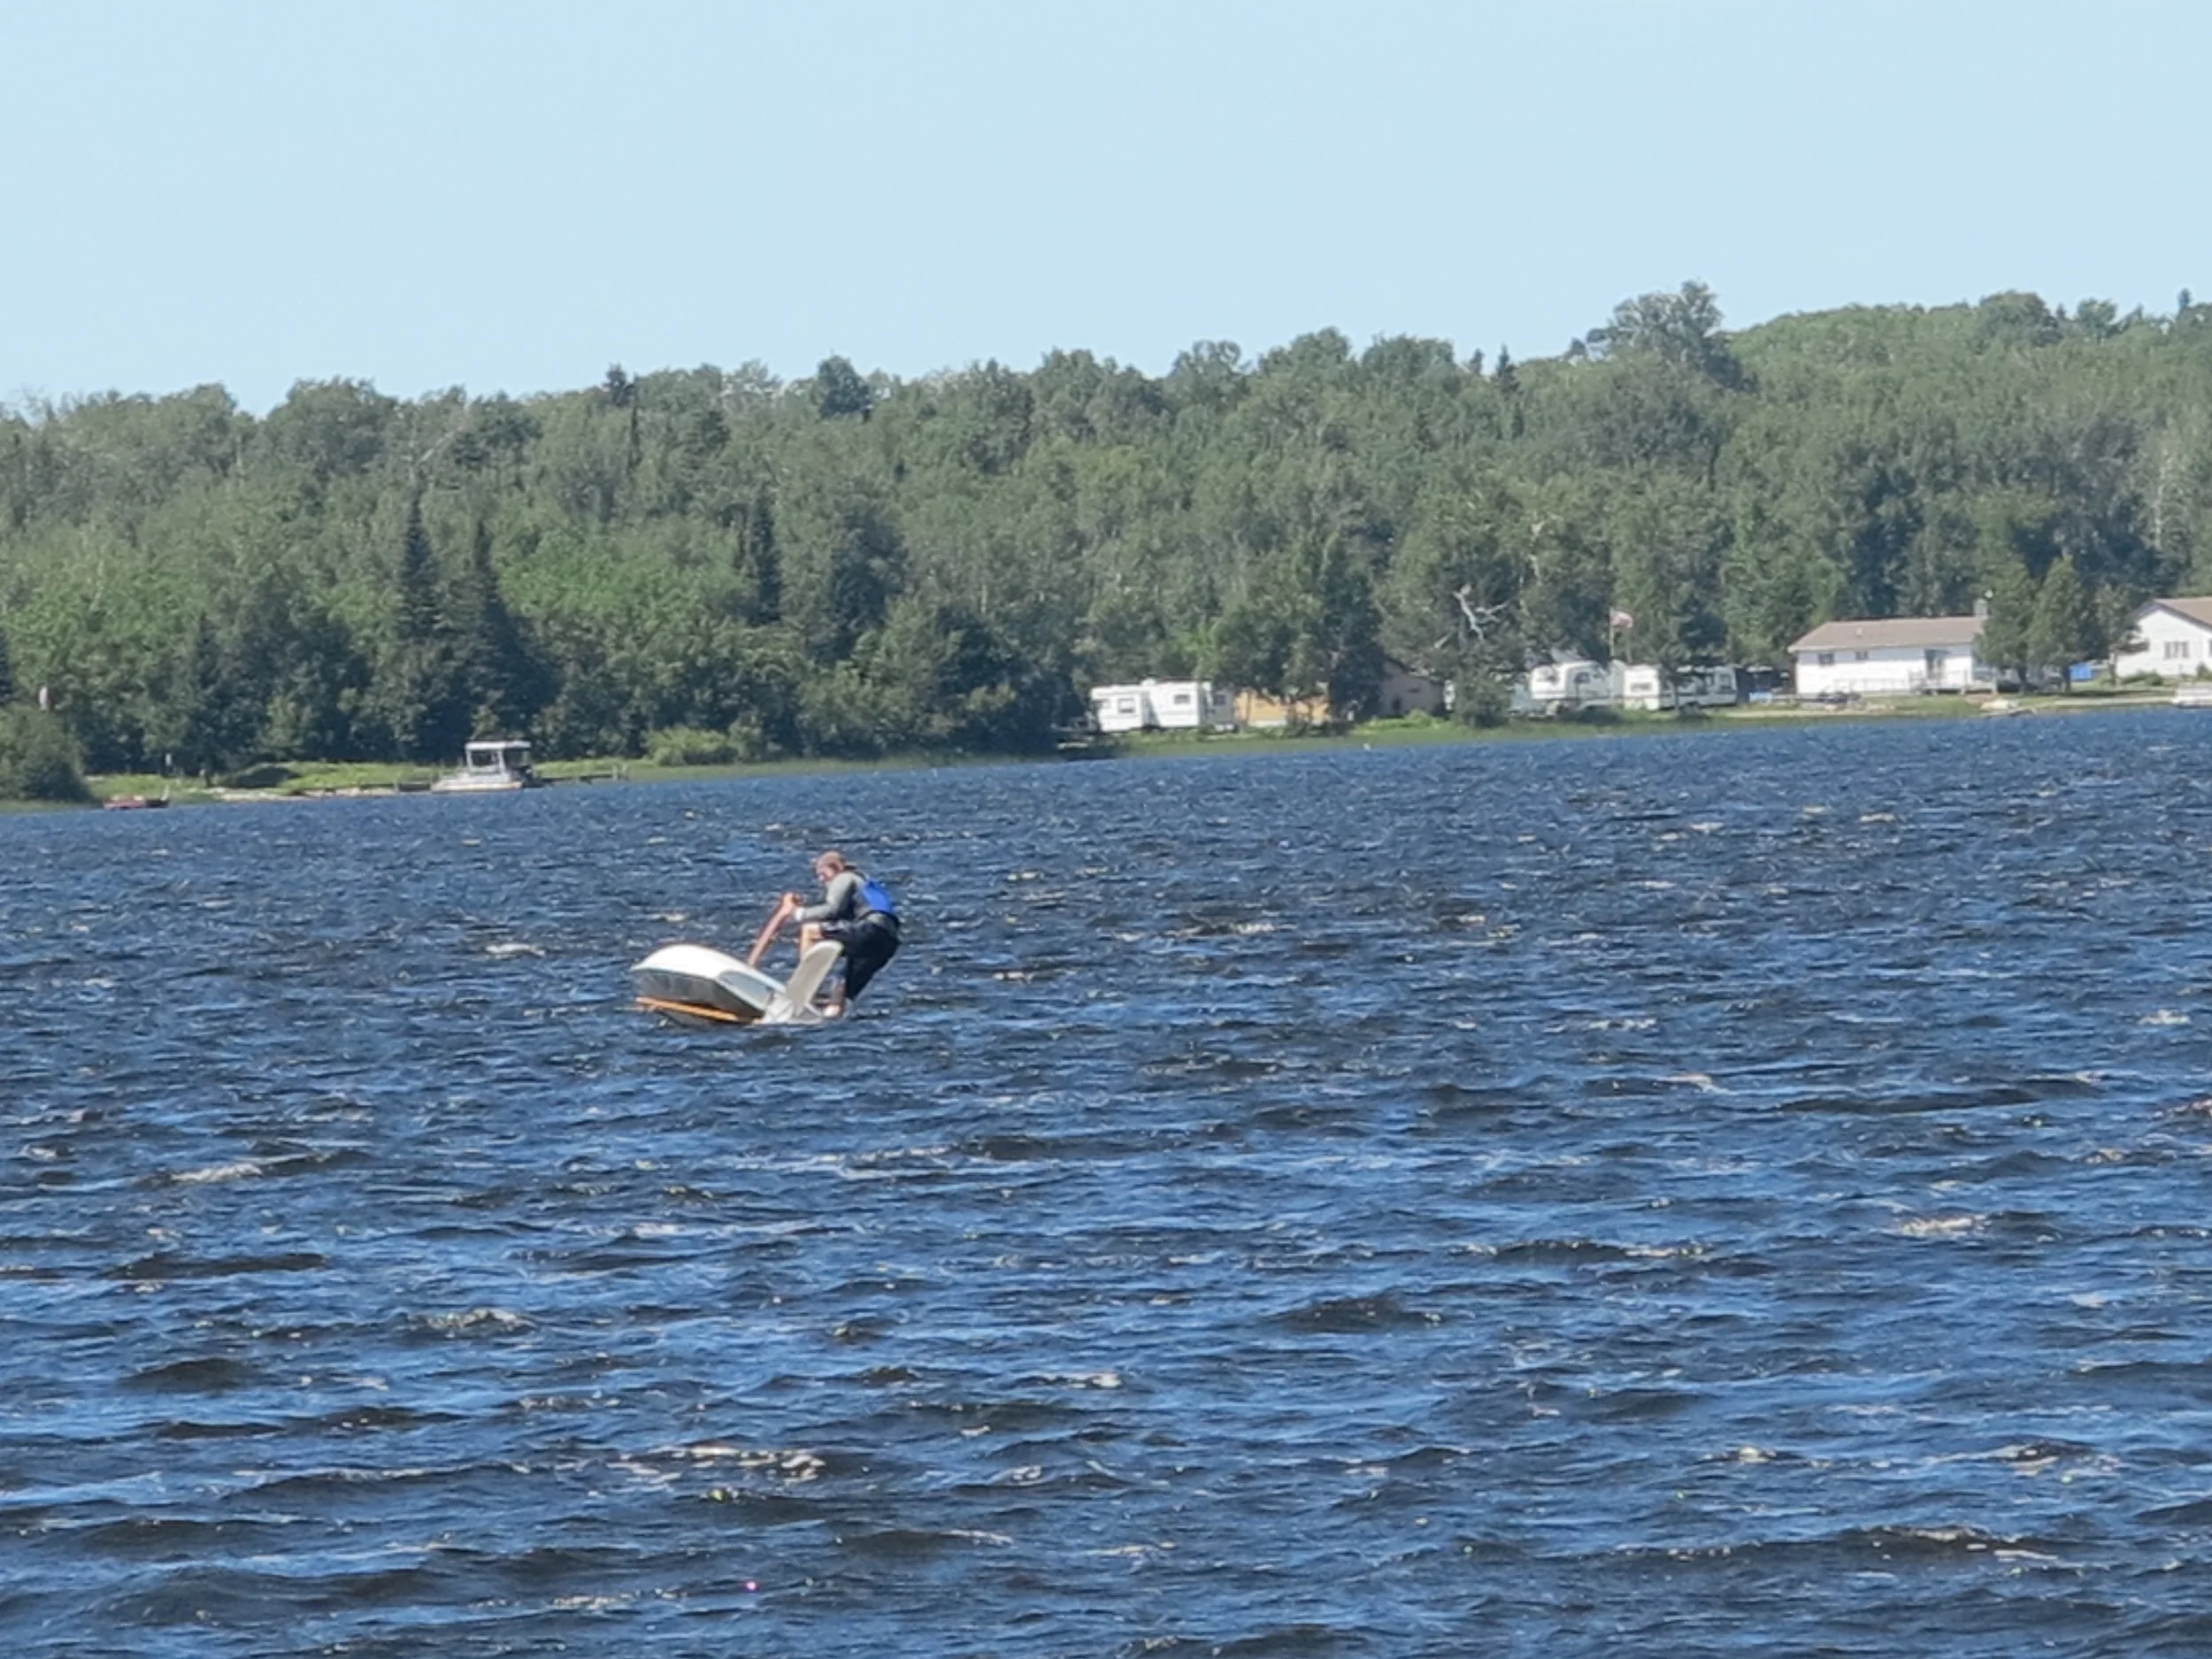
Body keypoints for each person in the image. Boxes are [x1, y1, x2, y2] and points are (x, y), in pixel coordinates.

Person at [750, 849, 901, 1017]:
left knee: (809, 931)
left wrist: (796, 913)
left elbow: (832, 910)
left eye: (822, 874)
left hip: (870, 928)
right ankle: (831, 1017)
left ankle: (806, 983)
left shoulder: (844, 877)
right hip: (888, 941)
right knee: (841, 986)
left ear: (835, 868)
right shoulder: (865, 883)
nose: (821, 880)